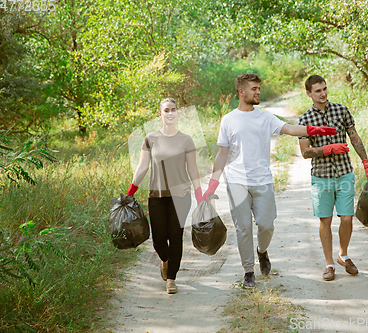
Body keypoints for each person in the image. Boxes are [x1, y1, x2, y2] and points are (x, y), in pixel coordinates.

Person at [202, 74, 338, 288]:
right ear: (241, 92)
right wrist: (212, 185)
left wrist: (314, 130)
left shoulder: (266, 118)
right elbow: (222, 153)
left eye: (259, 89)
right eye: (254, 89)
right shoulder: (228, 119)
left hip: (262, 180)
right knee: (243, 227)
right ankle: (248, 272)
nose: (258, 92)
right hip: (237, 181)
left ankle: (262, 252)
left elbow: (291, 129)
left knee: (266, 225)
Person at [298, 75, 368, 281]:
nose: (323, 93)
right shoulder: (305, 119)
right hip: (321, 176)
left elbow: (354, 137)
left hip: (344, 172)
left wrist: (366, 162)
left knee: (347, 217)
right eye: (317, 91)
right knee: (325, 220)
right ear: (309, 94)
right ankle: (329, 264)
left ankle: (344, 255)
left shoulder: (341, 110)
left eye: (324, 89)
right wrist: (327, 149)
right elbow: (305, 153)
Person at [125, 98, 203, 294]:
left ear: (177, 113)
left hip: (181, 196)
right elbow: (143, 167)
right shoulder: (150, 138)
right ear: (160, 114)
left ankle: (171, 279)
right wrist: (130, 192)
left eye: (173, 110)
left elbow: (193, 169)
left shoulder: (186, 139)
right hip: (157, 196)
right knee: (159, 239)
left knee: (175, 237)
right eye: (166, 110)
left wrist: (200, 194)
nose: (170, 113)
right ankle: (166, 261)